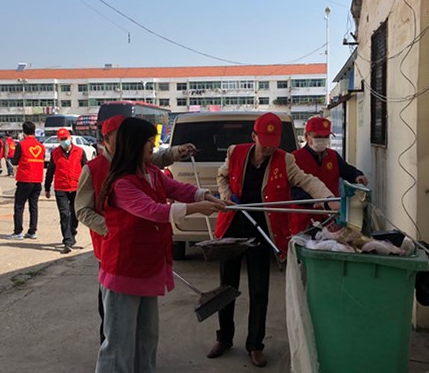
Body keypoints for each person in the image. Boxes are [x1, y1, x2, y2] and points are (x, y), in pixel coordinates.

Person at [94, 117, 228, 372]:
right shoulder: (122, 183)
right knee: (119, 344)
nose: (153, 147)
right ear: (135, 144)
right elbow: (153, 211)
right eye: (149, 142)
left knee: (147, 338)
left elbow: (177, 188)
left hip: (146, 267)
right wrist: (197, 208)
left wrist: (207, 196)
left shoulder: (151, 172)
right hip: (124, 269)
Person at [208, 112, 339, 368]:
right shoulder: (235, 152)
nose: (269, 148)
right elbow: (221, 177)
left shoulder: (285, 159)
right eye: (264, 142)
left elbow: (307, 180)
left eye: (273, 143)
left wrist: (327, 199)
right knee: (226, 285)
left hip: (262, 230)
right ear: (254, 136)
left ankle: (255, 345)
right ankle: (224, 338)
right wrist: (227, 195)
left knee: (259, 290)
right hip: (233, 225)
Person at [75, 114, 197, 344]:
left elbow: (162, 167)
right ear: (107, 139)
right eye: (122, 136)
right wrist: (112, 230)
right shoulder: (95, 170)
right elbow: (83, 210)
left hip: (140, 247)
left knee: (144, 327)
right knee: (114, 320)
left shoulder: (142, 166)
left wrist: (177, 153)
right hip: (112, 245)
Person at [289, 116, 369, 234]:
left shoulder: (333, 156)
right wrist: (312, 201)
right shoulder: (294, 158)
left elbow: (347, 170)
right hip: (305, 217)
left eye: (326, 137)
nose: (322, 140)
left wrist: (357, 176)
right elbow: (290, 190)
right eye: (318, 137)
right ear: (307, 137)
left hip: (330, 218)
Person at [44, 128, 88, 254]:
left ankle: (72, 232)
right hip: (61, 188)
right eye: (61, 139)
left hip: (76, 188)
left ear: (70, 138)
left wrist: (88, 187)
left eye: (65, 139)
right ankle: (67, 241)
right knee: (64, 214)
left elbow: (87, 169)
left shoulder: (80, 151)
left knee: (75, 214)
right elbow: (50, 171)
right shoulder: (55, 153)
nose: (64, 141)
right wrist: (47, 188)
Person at [7, 121, 45, 240]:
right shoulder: (41, 146)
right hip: (37, 180)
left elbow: (15, 161)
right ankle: (32, 231)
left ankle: (18, 232)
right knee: (33, 206)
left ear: (23, 132)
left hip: (25, 179)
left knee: (19, 206)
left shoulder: (22, 145)